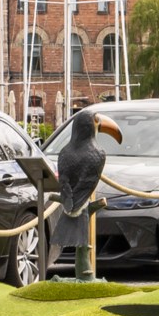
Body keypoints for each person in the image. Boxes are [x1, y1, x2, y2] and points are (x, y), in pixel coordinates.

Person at [48, 109, 122, 277]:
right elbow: (85, 184)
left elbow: (65, 182)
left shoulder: (65, 152)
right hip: (80, 200)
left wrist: (69, 201)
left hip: (72, 199)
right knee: (81, 232)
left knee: (78, 224)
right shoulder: (98, 153)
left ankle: (83, 270)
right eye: (95, 121)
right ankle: (84, 271)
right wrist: (76, 202)